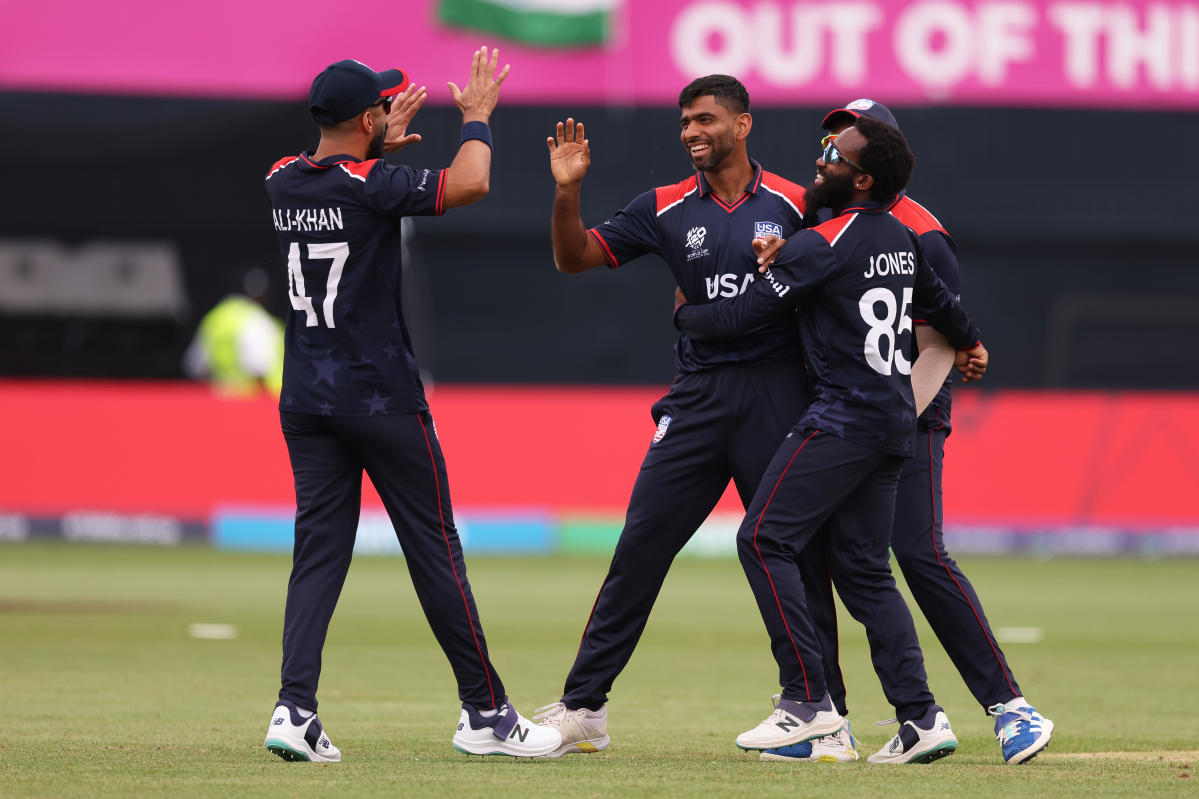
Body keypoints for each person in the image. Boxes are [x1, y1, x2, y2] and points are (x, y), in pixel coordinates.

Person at [260, 49, 561, 762]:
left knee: (318, 552)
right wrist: (476, 117)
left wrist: (372, 148)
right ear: (368, 119)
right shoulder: (373, 184)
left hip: (306, 399)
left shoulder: (279, 178)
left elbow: (334, 179)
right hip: (380, 397)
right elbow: (471, 181)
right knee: (435, 549)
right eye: (380, 106)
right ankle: (486, 713)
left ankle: (294, 708)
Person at [673, 117, 989, 763]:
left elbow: (740, 317)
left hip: (841, 418)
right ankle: (920, 718)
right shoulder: (902, 238)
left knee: (762, 539)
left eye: (833, 155)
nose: (820, 162)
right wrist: (971, 344)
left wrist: (685, 311)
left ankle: (807, 701)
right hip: (894, 425)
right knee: (866, 573)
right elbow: (946, 310)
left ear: (862, 179)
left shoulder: (822, 242)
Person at [535, 75, 831, 756]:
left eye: (704, 120)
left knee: (792, 554)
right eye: (684, 123)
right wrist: (567, 190)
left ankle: (818, 708)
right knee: (639, 549)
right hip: (698, 398)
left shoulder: (798, 203)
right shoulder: (664, 206)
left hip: (779, 393)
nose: (691, 133)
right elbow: (573, 258)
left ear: (742, 124)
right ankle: (584, 708)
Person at [759, 100, 1054, 766]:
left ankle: (1011, 708)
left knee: (917, 552)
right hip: (845, 412)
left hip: (902, 412)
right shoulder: (826, 220)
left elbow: (940, 343)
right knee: (820, 556)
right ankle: (828, 723)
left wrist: (884, 422)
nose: (828, 150)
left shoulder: (921, 231)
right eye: (830, 137)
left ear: (879, 156)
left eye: (844, 141)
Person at [182, 267, 284, 397]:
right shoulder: (257, 320)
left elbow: (194, 366)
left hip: (221, 399)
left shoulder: (214, 318)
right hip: (258, 401)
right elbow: (260, 368)